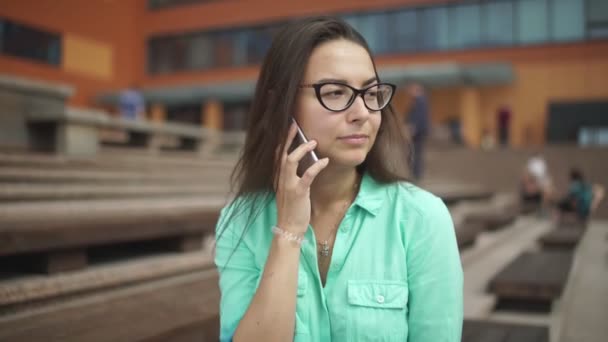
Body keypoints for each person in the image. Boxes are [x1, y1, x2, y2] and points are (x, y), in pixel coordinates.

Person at [214, 17, 463, 342]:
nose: (362, 112)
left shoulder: (421, 219)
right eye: (335, 92)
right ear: (281, 104)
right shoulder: (241, 222)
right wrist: (288, 233)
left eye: (371, 92)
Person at [406, 83, 429, 180]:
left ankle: (416, 174)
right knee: (416, 152)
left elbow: (419, 117)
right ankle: (416, 173)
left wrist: (413, 127)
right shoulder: (420, 101)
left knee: (416, 152)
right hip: (418, 131)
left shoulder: (420, 101)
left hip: (418, 132)